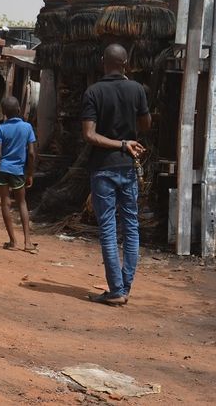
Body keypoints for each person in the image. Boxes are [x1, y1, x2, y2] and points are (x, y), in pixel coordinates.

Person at [81, 43, 150, 306]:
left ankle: (117, 290)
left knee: (109, 229)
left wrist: (118, 143)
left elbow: (89, 135)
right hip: (127, 166)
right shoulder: (136, 89)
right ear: (126, 63)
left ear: (102, 61)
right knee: (131, 226)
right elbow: (145, 125)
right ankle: (125, 286)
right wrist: (126, 141)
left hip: (102, 168)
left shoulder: (93, 92)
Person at [0, 96, 38, 254]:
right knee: (22, 203)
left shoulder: (0, 129)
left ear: (3, 112)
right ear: (19, 110)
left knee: (5, 203)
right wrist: (30, 173)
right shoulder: (27, 128)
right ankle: (28, 242)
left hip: (3, 170)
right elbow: (31, 153)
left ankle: (12, 241)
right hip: (18, 171)